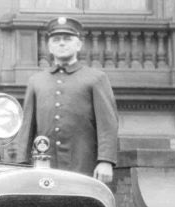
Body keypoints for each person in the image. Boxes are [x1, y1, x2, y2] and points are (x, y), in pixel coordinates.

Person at [13, 16, 119, 183]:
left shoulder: (96, 78)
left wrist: (106, 161)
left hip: (84, 166)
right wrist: (22, 163)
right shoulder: (36, 81)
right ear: (49, 46)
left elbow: (108, 125)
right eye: (56, 40)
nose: (61, 43)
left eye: (68, 39)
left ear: (78, 44)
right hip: (44, 168)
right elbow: (27, 128)